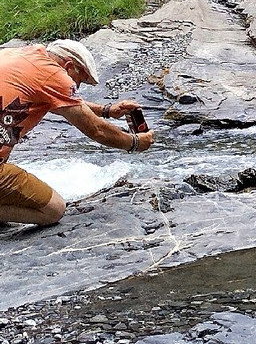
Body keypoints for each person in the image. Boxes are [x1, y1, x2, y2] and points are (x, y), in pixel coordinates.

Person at [0, 40, 154, 225]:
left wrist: (107, 110)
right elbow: (97, 130)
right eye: (79, 82)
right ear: (70, 66)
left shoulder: (23, 56)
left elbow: (60, 100)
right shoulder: (54, 75)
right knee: (53, 210)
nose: (76, 88)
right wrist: (135, 142)